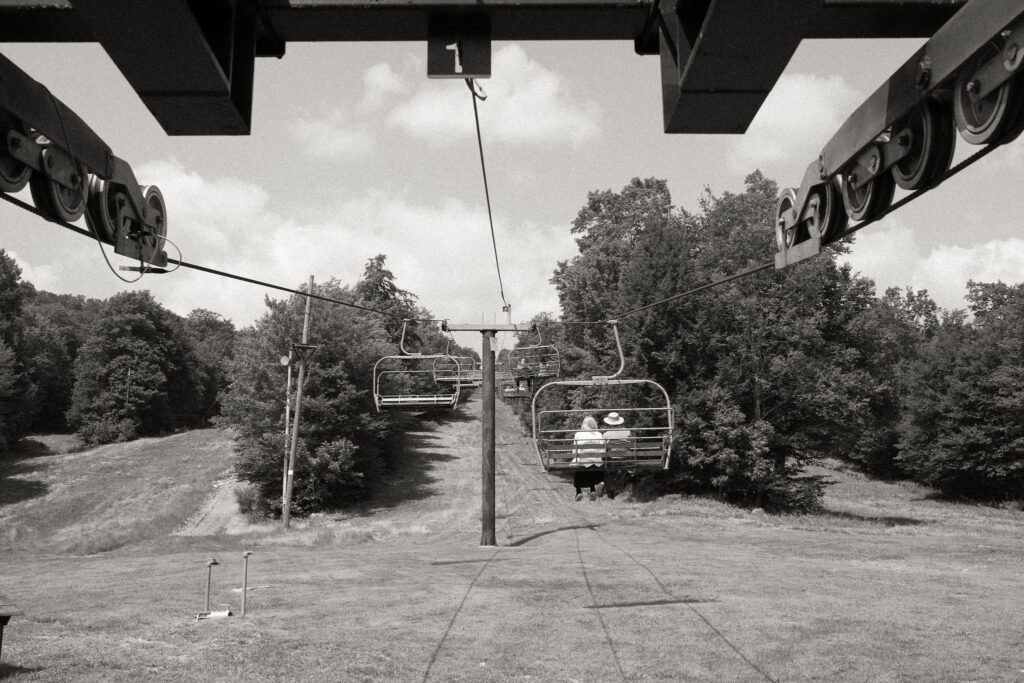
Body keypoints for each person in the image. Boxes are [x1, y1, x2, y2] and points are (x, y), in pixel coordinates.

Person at [571, 416, 605, 501]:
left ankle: (578, 491)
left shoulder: (578, 434)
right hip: (596, 462)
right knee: (592, 466)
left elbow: (574, 452)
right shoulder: (599, 434)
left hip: (583, 461)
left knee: (578, 466)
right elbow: (602, 451)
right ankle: (593, 490)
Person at [600, 412, 632, 499]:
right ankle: (613, 488)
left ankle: (609, 487)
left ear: (609, 423)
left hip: (611, 460)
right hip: (625, 459)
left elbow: (603, 449)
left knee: (605, 469)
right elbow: (631, 445)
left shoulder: (606, 434)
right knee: (624, 469)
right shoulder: (627, 432)